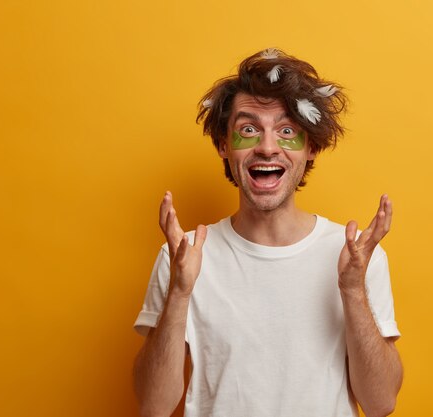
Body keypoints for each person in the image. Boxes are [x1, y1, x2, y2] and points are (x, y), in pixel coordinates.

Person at [132, 48, 403, 417]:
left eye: (287, 131)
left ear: (311, 147)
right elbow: (153, 407)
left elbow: (381, 403)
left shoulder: (355, 257)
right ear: (224, 146)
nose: (267, 147)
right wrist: (180, 291)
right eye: (248, 129)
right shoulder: (186, 257)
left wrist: (353, 291)